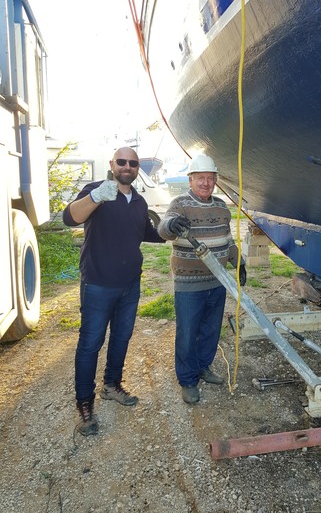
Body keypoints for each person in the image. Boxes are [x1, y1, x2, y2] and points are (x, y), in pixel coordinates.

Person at [63, 146, 165, 436]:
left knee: (121, 337)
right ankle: (85, 404)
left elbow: (148, 233)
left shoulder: (139, 201)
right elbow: (70, 218)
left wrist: (170, 229)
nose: (127, 167)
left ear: (137, 169)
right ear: (112, 164)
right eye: (122, 162)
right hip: (97, 284)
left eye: (133, 163)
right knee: (90, 344)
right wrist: (96, 197)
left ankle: (111, 385)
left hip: (130, 285)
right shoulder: (96, 190)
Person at [158, 154, 246, 404]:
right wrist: (171, 225)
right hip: (188, 285)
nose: (206, 183)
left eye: (210, 178)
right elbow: (163, 228)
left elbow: (227, 239)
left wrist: (238, 262)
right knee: (187, 333)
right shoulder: (180, 204)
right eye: (200, 178)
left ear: (215, 180)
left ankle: (203, 367)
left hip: (218, 281)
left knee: (210, 330)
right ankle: (188, 380)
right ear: (191, 180)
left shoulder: (221, 206)